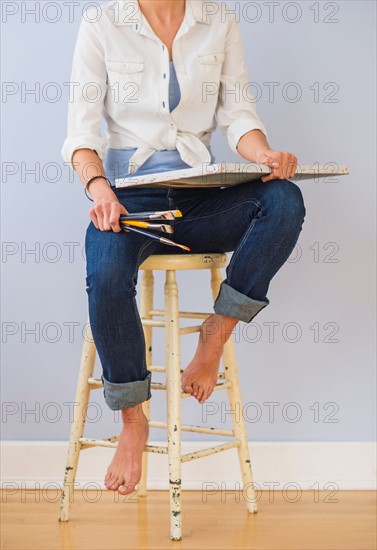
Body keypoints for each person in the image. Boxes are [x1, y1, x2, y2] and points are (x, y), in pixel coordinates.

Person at [61, 0, 306, 495]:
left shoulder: (218, 19)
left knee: (284, 200)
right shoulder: (102, 22)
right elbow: (81, 135)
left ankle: (217, 331)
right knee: (106, 276)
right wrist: (100, 190)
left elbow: (239, 114)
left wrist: (263, 154)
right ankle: (133, 419)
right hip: (130, 203)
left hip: (199, 198)